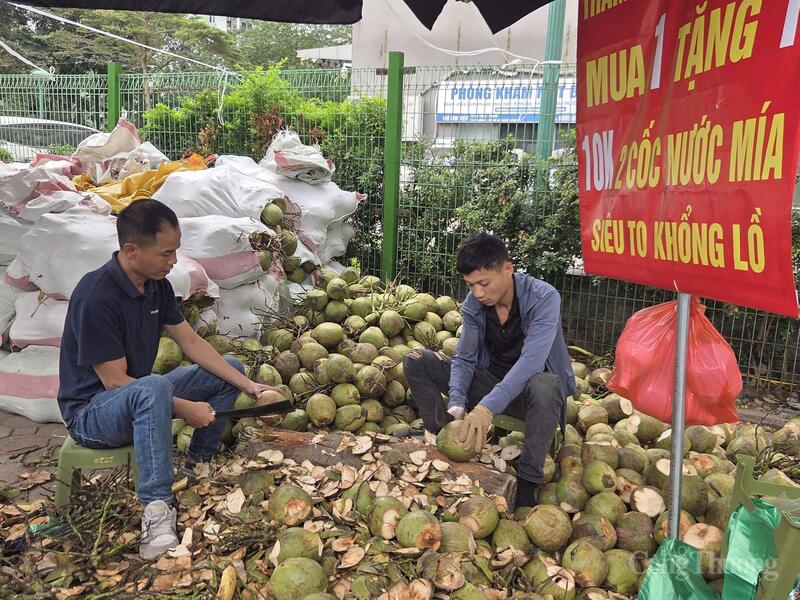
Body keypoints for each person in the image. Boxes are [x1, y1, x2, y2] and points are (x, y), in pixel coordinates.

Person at [57, 198, 278, 560]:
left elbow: (191, 342)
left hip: (143, 395)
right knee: (154, 387)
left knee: (230, 369)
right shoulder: (96, 296)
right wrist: (185, 408)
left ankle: (196, 465)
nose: (174, 260)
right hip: (92, 414)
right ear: (131, 250)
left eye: (176, 251)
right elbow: (114, 382)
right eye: (166, 253)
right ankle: (156, 511)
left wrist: (249, 387)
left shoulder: (155, 286)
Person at [404, 233, 576, 509]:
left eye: (483, 283)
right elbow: (464, 358)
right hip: (489, 385)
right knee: (416, 359)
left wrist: (486, 408)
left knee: (545, 384)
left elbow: (531, 362)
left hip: (530, 397)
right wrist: (457, 401)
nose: (478, 293)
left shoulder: (544, 298)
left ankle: (527, 483)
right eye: (470, 285)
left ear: (507, 269)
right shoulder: (475, 304)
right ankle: (442, 438)